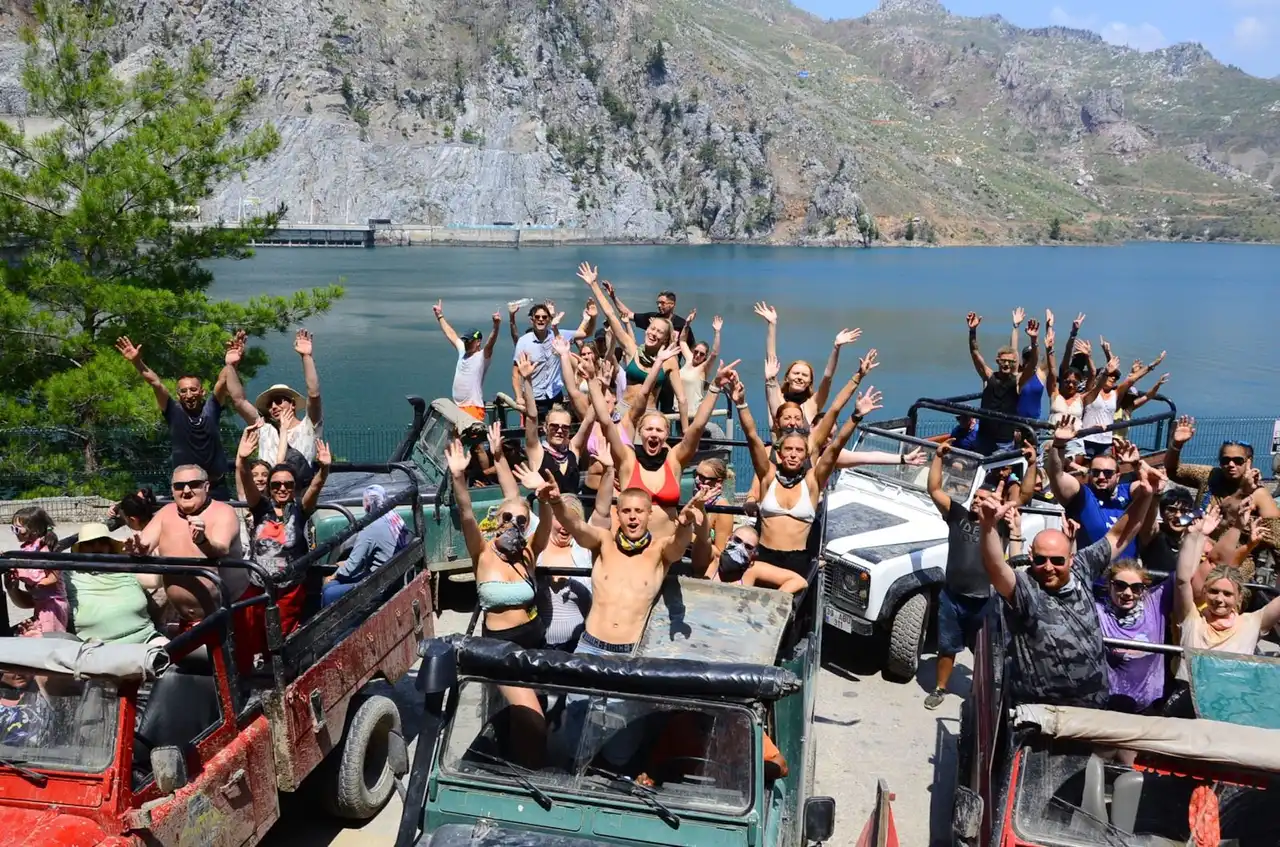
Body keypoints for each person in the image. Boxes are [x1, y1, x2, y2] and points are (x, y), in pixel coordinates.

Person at [977, 466, 1155, 708]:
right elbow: (996, 567)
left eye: (1057, 560)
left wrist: (1145, 496)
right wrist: (987, 527)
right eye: (1040, 560)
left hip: (1091, 707)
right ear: (1031, 557)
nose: (1048, 567)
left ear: (1070, 558)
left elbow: (1118, 536)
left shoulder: (1082, 567)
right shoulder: (1026, 588)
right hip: (1039, 716)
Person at [546, 477, 710, 656]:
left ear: (649, 514)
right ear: (618, 514)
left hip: (629, 653)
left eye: (639, 511)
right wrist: (556, 502)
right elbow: (576, 525)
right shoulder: (603, 542)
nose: (633, 516)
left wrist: (685, 523)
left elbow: (679, 544)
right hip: (589, 647)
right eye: (626, 511)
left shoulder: (659, 550)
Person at [735, 371, 878, 576]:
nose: (793, 455)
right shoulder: (768, 475)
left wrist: (856, 415)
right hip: (763, 557)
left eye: (799, 450)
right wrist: (741, 404)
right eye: (788, 450)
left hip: (798, 560)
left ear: (806, 455)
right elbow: (751, 436)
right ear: (780, 453)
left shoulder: (813, 480)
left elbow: (836, 444)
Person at [585, 353, 732, 539]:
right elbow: (606, 422)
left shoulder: (674, 460)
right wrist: (592, 381)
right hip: (631, 545)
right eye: (649, 429)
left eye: (659, 430)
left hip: (667, 548)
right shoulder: (627, 458)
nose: (654, 433)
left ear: (666, 435)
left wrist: (715, 387)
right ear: (640, 432)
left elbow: (697, 427)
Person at [115, 332, 258, 499]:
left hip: (216, 487)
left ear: (202, 392)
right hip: (186, 489)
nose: (189, 394)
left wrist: (231, 364)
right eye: (183, 391)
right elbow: (155, 382)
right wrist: (137, 362)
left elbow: (223, 380)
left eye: (193, 389)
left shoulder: (212, 408)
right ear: (178, 395)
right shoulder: (173, 412)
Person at [235, 422, 331, 667]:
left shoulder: (300, 510)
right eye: (276, 484)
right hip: (258, 586)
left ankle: (279, 676)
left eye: (288, 484)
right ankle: (245, 681)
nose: (281, 488)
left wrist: (323, 469)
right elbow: (246, 482)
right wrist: (242, 460)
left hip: (288, 589)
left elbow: (316, 487)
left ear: (294, 487)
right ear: (269, 487)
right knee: (246, 633)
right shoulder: (261, 508)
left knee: (281, 638)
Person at [1173, 506, 1280, 701]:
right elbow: (1182, 581)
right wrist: (1195, 535)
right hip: (1188, 698)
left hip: (1232, 701)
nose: (1219, 599)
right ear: (1204, 593)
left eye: (1227, 594)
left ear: (1239, 598)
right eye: (1213, 591)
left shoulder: (1253, 622)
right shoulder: (1192, 618)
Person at [922, 443, 999, 710]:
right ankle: (940, 688)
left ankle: (981, 695)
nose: (977, 501)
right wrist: (939, 458)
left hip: (982, 601)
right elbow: (934, 490)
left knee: (985, 653)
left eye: (983, 498)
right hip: (952, 596)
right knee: (947, 647)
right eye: (975, 497)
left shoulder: (997, 524)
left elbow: (1023, 495)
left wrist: (1033, 464)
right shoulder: (957, 514)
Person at [124, 464, 249, 625]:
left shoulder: (224, 512)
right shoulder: (165, 513)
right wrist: (138, 550)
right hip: (185, 620)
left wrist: (202, 541)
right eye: (179, 486)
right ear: (172, 489)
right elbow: (144, 545)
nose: (186, 490)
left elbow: (220, 549)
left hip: (229, 616)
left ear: (206, 486)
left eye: (194, 484)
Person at [578, 263, 690, 429]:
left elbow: (681, 399)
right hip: (623, 412)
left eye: (659, 332)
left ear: (665, 338)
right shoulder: (632, 349)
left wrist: (686, 431)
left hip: (648, 417)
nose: (653, 333)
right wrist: (593, 285)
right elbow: (610, 314)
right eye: (652, 329)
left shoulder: (669, 360)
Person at [1165, 416, 1280, 579]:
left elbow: (1277, 538)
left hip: (1237, 560)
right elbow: (1173, 471)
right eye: (1225, 460)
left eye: (1238, 460)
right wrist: (1176, 445)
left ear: (1249, 462)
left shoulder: (1259, 495)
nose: (1231, 465)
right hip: (1199, 548)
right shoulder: (1210, 476)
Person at [1045, 417, 1141, 560]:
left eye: (1108, 473)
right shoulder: (1082, 495)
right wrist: (1058, 444)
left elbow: (1152, 486)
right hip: (1090, 577)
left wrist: (1137, 465)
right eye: (1096, 472)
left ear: (1118, 476)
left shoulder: (1127, 492)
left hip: (1125, 578)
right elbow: (1056, 475)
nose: (1102, 477)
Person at [755, 301, 862, 426]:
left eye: (805, 375)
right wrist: (772, 325)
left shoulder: (812, 405)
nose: (799, 377)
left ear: (810, 382)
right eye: (796, 373)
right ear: (787, 377)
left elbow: (828, 377)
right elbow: (771, 360)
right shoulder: (776, 397)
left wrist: (836, 347)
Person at [245, 329, 325, 489]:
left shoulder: (308, 427)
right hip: (266, 499)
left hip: (300, 499)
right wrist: (231, 366)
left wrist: (306, 357)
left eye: (279, 401)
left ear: (293, 404)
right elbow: (239, 401)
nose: (274, 406)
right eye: (270, 404)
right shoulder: (264, 429)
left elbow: (314, 394)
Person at [64, 524, 163, 645]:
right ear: (80, 549)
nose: (96, 547)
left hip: (146, 638)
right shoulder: (69, 575)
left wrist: (154, 554)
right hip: (97, 648)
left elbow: (155, 581)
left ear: (109, 546)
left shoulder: (125, 567)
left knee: (175, 658)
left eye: (102, 542)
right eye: (89, 543)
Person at [1097, 559, 1173, 714]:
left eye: (1136, 588)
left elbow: (1184, 578)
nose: (1127, 593)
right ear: (1109, 585)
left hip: (1150, 705)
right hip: (1111, 705)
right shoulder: (1097, 611)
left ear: (1144, 589)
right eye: (1120, 585)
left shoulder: (1155, 602)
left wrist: (1193, 537)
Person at [321, 485, 411, 606]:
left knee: (329, 590)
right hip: (393, 576)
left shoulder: (370, 526)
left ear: (368, 504)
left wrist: (333, 576)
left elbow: (352, 567)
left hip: (381, 585)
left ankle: (336, 624)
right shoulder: (393, 517)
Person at [964, 311, 1039, 454]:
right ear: (998, 361)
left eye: (1010, 362)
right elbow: (975, 353)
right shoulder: (989, 376)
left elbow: (1033, 364)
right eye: (1003, 361)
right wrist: (972, 331)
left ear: (1014, 364)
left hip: (1004, 441)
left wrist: (1034, 341)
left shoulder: (1018, 381)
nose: (1006, 364)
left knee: (1000, 473)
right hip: (984, 437)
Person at [612, 287, 694, 416]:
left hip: (667, 371)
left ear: (672, 304)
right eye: (658, 303)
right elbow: (628, 314)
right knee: (646, 401)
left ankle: (666, 432)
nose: (659, 306)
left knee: (667, 408)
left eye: (662, 303)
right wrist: (613, 297)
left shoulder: (680, 323)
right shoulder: (653, 318)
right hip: (649, 368)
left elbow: (689, 347)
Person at [1079, 339, 1162, 458]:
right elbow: (1094, 375)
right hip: (1088, 439)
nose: (1113, 379)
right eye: (1110, 377)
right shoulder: (1091, 393)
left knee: (1106, 470)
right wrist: (1090, 356)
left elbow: (1131, 380)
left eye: (1115, 378)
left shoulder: (1115, 394)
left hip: (1105, 442)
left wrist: (1152, 365)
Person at [433, 300, 501, 420]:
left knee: (469, 438)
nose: (466, 343)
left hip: (472, 408)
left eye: (469, 341)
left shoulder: (482, 357)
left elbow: (491, 343)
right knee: (456, 439)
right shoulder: (462, 351)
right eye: (465, 341)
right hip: (458, 407)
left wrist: (496, 326)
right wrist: (440, 316)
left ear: (478, 341)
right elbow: (451, 334)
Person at [7, 508, 68, 635]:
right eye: (13, 528)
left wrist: (38, 585)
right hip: (41, 602)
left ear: (34, 530)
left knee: (50, 637)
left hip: (53, 605)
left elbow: (53, 577)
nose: (15, 532)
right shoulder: (28, 549)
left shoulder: (45, 550)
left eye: (17, 529)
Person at [706, 525, 808, 593]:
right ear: (729, 539)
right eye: (737, 540)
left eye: (748, 547)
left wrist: (774, 601)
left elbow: (799, 581)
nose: (740, 547)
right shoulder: (712, 562)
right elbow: (702, 540)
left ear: (753, 554)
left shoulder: (752, 569)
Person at [512, 301, 569, 417]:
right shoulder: (523, 342)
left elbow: (584, 333)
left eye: (544, 317)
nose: (541, 319)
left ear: (548, 319)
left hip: (555, 396)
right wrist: (518, 397)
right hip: (534, 398)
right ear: (532, 320)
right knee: (534, 432)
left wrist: (590, 318)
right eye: (537, 317)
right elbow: (516, 373)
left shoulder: (557, 336)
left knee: (557, 429)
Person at [1138, 487, 1195, 573]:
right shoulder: (1154, 534)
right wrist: (1156, 495)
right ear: (1161, 513)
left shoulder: (1195, 540)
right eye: (1172, 510)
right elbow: (1149, 522)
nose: (1178, 515)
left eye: (1184, 511)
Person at [677, 314, 722, 416]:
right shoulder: (689, 359)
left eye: (701, 354)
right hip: (678, 410)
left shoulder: (703, 368)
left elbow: (714, 353)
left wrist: (717, 332)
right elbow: (682, 341)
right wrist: (687, 324)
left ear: (705, 356)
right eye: (696, 352)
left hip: (693, 413)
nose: (697, 355)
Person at [1012, 308, 1053, 419]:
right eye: (1026, 357)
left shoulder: (1041, 374)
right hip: (1016, 424)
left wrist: (1049, 327)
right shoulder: (1017, 374)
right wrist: (1015, 326)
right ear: (1022, 359)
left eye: (1031, 357)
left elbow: (1049, 349)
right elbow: (1013, 350)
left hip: (1035, 425)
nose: (1029, 360)